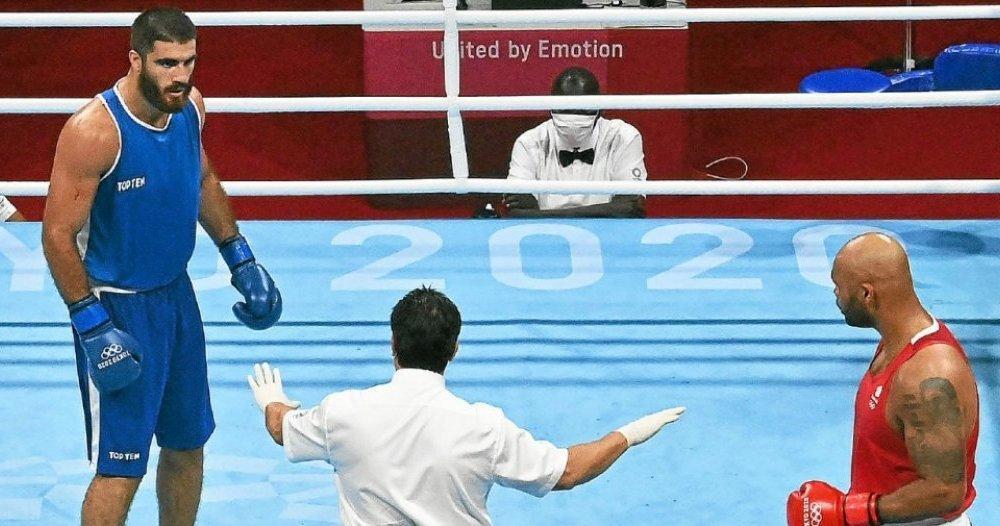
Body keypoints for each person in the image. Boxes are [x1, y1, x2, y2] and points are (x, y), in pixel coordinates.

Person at [41, 7, 282, 525]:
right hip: (117, 308)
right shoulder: (94, 132)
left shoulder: (190, 108)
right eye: (167, 63)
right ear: (136, 60)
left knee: (187, 444)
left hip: (177, 297)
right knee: (121, 467)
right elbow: (56, 235)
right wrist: (91, 325)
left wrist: (240, 257)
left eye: (188, 62)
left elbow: (202, 180)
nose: (180, 76)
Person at [248, 286, 685, 524]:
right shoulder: (484, 427)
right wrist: (627, 435)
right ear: (454, 350)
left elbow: (282, 428)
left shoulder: (343, 413)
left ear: (393, 344)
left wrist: (273, 401)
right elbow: (569, 471)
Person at [787, 233, 978, 526]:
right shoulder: (896, 342)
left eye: (840, 287)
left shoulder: (927, 373)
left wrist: (848, 512)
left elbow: (946, 491)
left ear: (867, 294)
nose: (836, 294)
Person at [503, 66, 647, 218]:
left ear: (600, 109)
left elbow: (631, 208)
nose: (573, 118)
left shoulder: (623, 136)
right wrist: (606, 210)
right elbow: (517, 214)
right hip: (545, 231)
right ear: (550, 107)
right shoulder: (529, 142)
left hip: (607, 231)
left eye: (582, 110)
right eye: (565, 110)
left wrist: (543, 214)